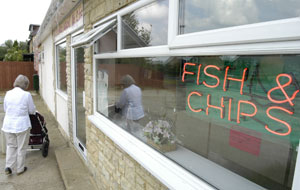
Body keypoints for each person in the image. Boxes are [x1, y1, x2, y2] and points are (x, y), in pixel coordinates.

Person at [2, 75, 36, 176]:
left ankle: (8, 167)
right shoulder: (26, 95)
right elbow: (31, 110)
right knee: (21, 147)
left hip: (8, 124)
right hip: (22, 125)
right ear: (25, 85)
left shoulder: (8, 93)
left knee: (11, 146)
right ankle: (20, 169)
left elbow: (5, 109)